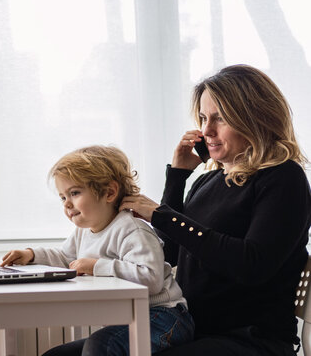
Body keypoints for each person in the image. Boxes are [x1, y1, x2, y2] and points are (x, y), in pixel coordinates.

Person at [118, 64, 311, 356]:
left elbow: (252, 264)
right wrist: (177, 178)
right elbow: (169, 253)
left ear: (255, 117)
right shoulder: (208, 180)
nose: (206, 130)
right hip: (193, 329)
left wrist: (163, 215)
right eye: (204, 118)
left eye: (220, 119)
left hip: (252, 340)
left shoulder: (284, 177)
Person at [1, 145, 194, 354]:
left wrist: (96, 266)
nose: (67, 204)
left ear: (109, 192)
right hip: (133, 317)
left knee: (102, 345)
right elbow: (66, 257)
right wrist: (31, 255)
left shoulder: (133, 229)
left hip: (165, 317)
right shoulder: (84, 231)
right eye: (63, 197)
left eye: (74, 193)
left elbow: (151, 279)